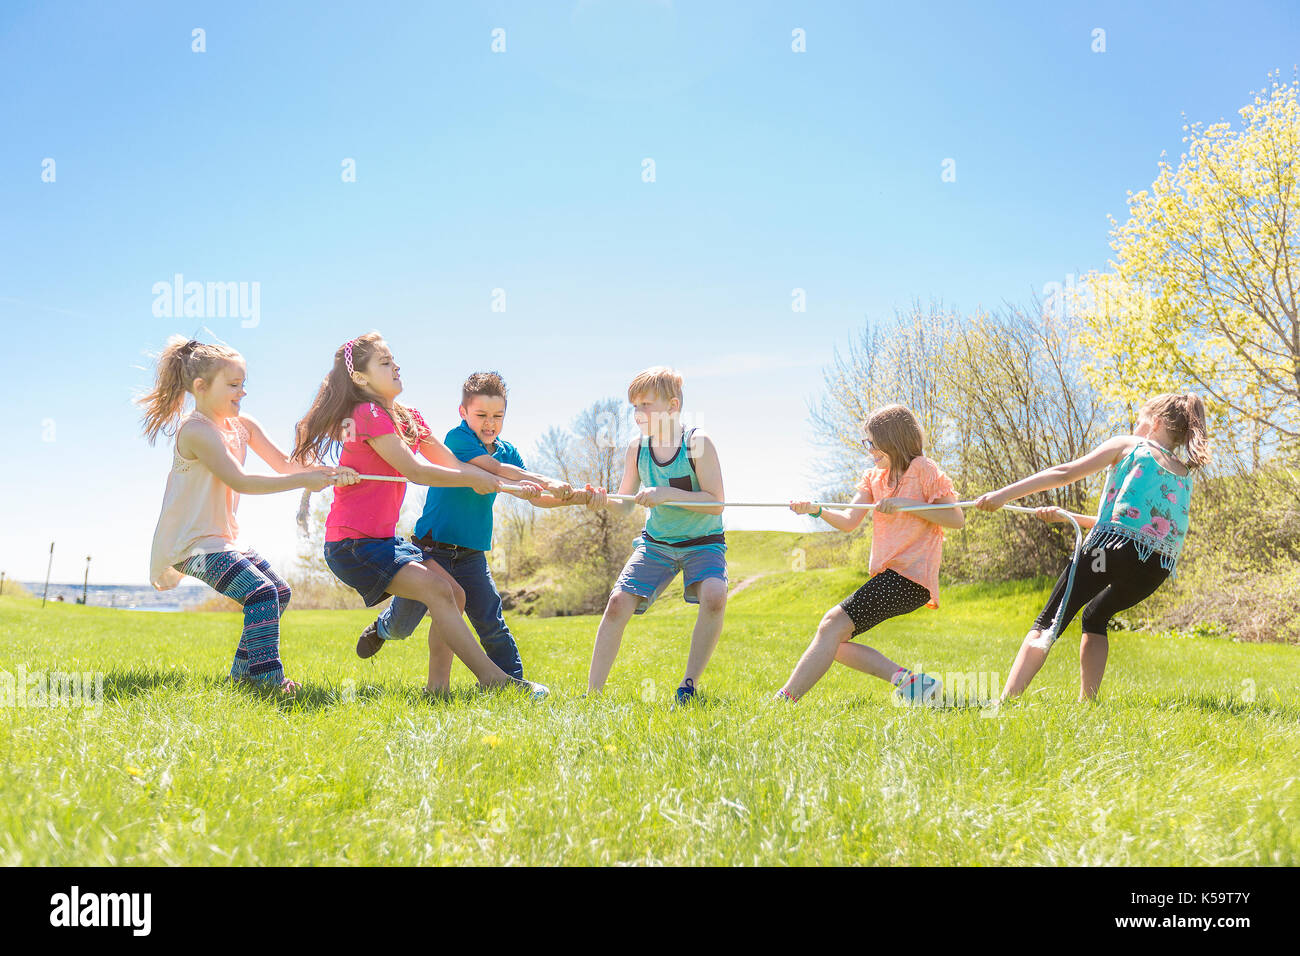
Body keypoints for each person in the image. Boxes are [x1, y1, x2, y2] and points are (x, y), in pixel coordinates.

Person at [293, 334, 549, 699]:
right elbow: (416, 471)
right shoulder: (367, 414)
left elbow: (451, 463)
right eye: (384, 362)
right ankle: (496, 680)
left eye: (393, 359)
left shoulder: (408, 417)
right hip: (351, 544)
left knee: (455, 595)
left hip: (383, 541)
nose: (396, 366)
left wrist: (499, 480)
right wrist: (478, 479)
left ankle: (437, 692)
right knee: (439, 591)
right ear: (361, 378)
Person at [141, 335, 355, 694]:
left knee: (278, 592)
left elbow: (286, 464)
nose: (242, 393)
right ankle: (269, 681)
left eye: (244, 384)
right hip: (191, 545)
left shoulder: (244, 426)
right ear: (201, 387)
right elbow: (239, 480)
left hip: (221, 539)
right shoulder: (196, 431)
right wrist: (306, 479)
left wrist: (327, 472)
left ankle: (241, 678)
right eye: (234, 385)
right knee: (260, 594)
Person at [975, 393, 1210, 702]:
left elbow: (1065, 473)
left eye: (1138, 421)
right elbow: (1133, 522)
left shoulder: (1129, 445)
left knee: (1050, 620)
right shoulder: (1183, 472)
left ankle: (1005, 700)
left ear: (1155, 423)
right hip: (1155, 567)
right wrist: (1068, 517)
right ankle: (1089, 703)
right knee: (1096, 615)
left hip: (1108, 552)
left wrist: (1004, 495)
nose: (1135, 427)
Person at [360, 371, 588, 678]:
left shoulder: (509, 452)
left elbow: (536, 499)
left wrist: (575, 497)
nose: (489, 423)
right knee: (402, 626)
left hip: (471, 556)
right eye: (481, 415)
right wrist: (544, 480)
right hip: (430, 550)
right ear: (463, 413)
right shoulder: (458, 439)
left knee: (490, 620)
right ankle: (383, 626)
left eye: (498, 416)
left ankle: (513, 683)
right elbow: (493, 468)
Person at [777, 403, 961, 704]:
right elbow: (850, 521)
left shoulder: (924, 471)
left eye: (873, 443)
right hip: (890, 576)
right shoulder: (874, 478)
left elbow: (956, 519)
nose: (869, 450)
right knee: (831, 641)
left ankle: (783, 700)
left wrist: (907, 504)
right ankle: (913, 684)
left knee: (830, 626)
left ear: (893, 440)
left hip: (911, 578)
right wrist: (817, 510)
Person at [584, 366, 727, 704]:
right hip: (657, 544)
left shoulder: (697, 443)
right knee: (618, 603)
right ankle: (592, 695)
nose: (637, 414)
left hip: (702, 544)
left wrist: (666, 493)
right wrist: (602, 500)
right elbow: (625, 504)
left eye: (646, 405)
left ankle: (688, 686)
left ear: (673, 405)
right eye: (634, 406)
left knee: (715, 595)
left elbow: (716, 503)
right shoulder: (637, 448)